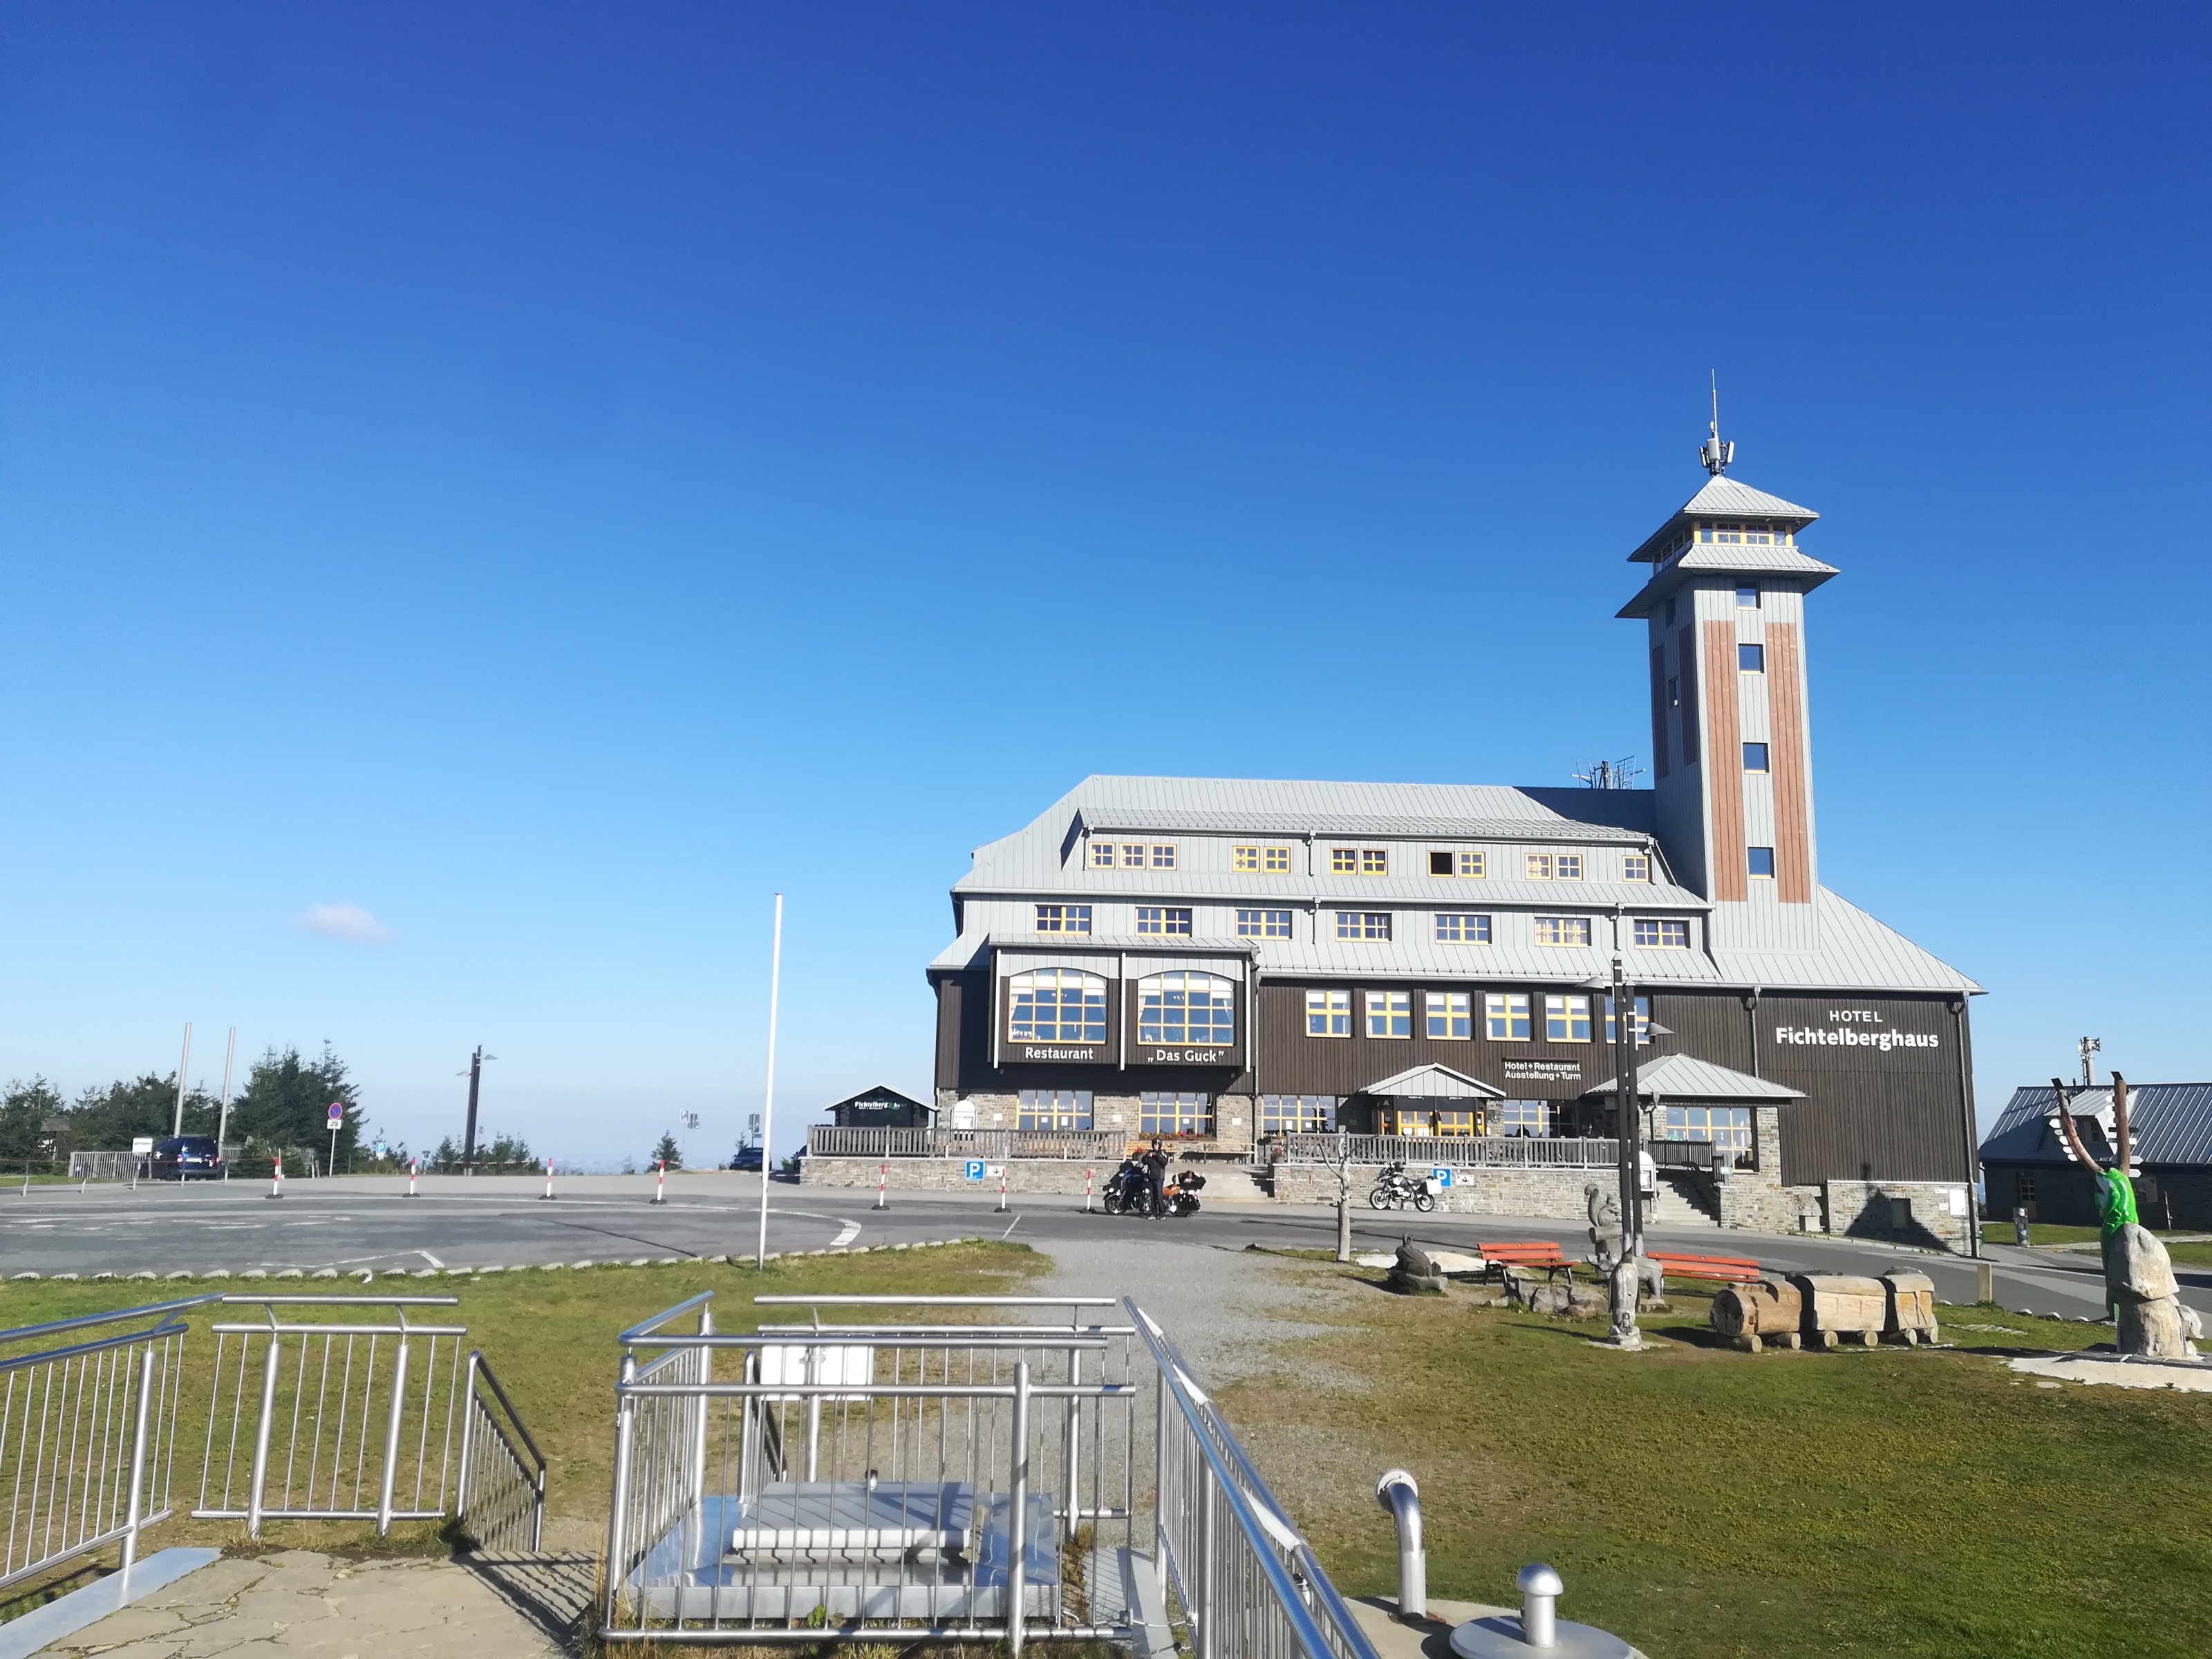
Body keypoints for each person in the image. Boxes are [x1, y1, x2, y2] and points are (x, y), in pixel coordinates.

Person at [1141, 1138, 1170, 1219]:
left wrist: (1156, 1155)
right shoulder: (1150, 1153)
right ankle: (1153, 1214)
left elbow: (1164, 1162)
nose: (1155, 1146)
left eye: (1157, 1144)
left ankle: (1161, 1214)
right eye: (1154, 1144)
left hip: (1159, 1177)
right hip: (1151, 1176)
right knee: (1152, 1196)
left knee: (1159, 1195)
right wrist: (1147, 1156)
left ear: (1159, 1145)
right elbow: (1144, 1162)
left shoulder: (1162, 1153)